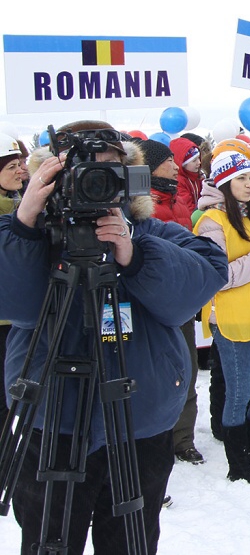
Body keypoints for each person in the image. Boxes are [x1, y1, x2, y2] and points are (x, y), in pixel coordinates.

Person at [1, 121, 227, 554]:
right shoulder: (31, 238)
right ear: (49, 174)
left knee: (130, 542)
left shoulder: (152, 234)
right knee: (49, 540)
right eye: (82, 171)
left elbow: (201, 281)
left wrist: (134, 254)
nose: (97, 182)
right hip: (53, 421)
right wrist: (25, 222)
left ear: (130, 179)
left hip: (137, 421)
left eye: (110, 171)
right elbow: (12, 303)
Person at [194, 151, 250, 484]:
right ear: (225, 181)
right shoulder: (211, 221)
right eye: (241, 178)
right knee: (240, 392)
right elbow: (219, 275)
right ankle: (239, 466)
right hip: (229, 319)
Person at [139, 138, 206, 465]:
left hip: (181, 303)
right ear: (151, 166)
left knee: (187, 372)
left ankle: (183, 439)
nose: (176, 166)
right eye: (169, 161)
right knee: (154, 377)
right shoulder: (141, 206)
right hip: (152, 308)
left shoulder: (180, 203)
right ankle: (157, 441)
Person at [0, 133, 27, 426]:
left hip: (20, 318)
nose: (21, 170)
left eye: (20, 163)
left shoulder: (20, 203)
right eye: (11, 167)